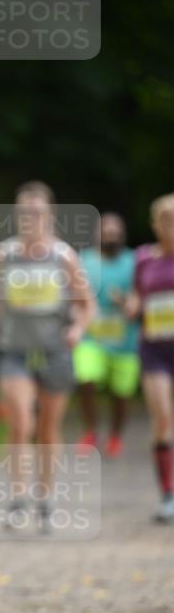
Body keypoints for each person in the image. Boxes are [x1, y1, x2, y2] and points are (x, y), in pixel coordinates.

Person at [0, 182, 95, 532]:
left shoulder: (63, 257)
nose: (30, 219)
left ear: (49, 215)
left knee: (48, 428)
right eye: (24, 213)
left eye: (37, 213)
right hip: (15, 350)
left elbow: (86, 303)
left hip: (54, 350)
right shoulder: (2, 254)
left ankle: (45, 498)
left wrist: (77, 328)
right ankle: (17, 498)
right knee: (20, 423)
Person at [73, 213, 140, 457]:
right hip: (92, 338)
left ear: (122, 235)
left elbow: (140, 296)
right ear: (97, 235)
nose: (110, 235)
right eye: (106, 231)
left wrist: (128, 303)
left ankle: (115, 435)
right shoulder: (84, 261)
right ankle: (91, 430)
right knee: (86, 376)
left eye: (115, 231)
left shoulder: (134, 262)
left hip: (125, 341)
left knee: (121, 393)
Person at [125, 194, 174, 523]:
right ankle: (168, 494)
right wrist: (132, 306)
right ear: (155, 223)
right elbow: (137, 297)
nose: (171, 225)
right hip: (155, 349)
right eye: (165, 219)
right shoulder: (143, 258)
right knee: (162, 420)